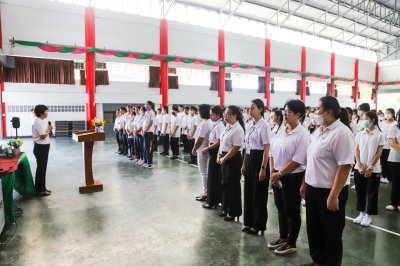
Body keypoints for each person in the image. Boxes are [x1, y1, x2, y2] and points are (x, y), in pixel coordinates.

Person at [300, 96, 355, 266]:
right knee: (314, 230)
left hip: (330, 191)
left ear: (328, 111)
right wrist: (304, 184)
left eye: (318, 109)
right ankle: (318, 261)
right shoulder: (319, 130)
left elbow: (345, 166)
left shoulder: (342, 133)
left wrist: (333, 195)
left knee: (331, 233)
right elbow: (311, 160)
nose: (315, 112)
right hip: (313, 189)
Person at [268, 99, 309, 255]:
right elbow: (272, 152)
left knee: (291, 210)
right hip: (277, 175)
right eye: (284, 112)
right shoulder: (280, 130)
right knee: (280, 208)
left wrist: (279, 174)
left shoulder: (302, 134)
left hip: (292, 177)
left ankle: (292, 243)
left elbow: (298, 160)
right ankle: (283, 237)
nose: (285, 115)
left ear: (298, 115)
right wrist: (273, 173)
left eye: (288, 112)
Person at [241, 99, 272, 236]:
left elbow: (266, 148)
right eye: (249, 107)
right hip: (249, 159)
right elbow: (247, 147)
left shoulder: (264, 125)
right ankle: (249, 222)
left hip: (260, 160)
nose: (250, 110)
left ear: (260, 109)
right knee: (248, 193)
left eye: (252, 107)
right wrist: (243, 164)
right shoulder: (249, 125)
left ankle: (259, 225)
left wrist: (264, 168)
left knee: (258, 195)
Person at [353, 111, 385, 227]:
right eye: (362, 118)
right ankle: (361, 213)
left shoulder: (379, 135)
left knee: (371, 192)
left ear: (372, 120)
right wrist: (359, 165)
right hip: (359, 168)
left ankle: (369, 215)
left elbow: (379, 153)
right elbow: (356, 150)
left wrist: (370, 167)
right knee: (360, 191)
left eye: (365, 118)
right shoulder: (360, 134)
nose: (363, 120)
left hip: (373, 169)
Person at [218, 106, 245, 222]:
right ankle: (225, 208)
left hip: (233, 159)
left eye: (228, 114)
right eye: (225, 114)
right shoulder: (227, 127)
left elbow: (236, 147)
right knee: (224, 184)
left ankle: (234, 212)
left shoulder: (238, 129)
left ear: (235, 115)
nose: (225, 116)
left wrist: (224, 157)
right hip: (224, 157)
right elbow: (222, 141)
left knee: (233, 186)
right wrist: (219, 155)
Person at [202, 106, 225, 209]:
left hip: (216, 152)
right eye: (210, 114)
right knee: (214, 177)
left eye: (213, 114)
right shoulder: (216, 124)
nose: (211, 116)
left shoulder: (220, 126)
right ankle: (216, 200)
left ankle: (212, 202)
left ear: (218, 115)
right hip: (213, 152)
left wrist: (207, 148)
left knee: (213, 178)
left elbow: (219, 142)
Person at [193, 104, 213, 202]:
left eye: (199, 111)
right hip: (204, 149)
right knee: (205, 172)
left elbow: (200, 139)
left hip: (202, 150)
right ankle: (205, 191)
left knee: (203, 172)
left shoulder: (205, 123)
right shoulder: (207, 122)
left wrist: (194, 149)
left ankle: (205, 193)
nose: (198, 113)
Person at [32, 104, 53, 197]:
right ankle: (40, 190)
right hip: (41, 148)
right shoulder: (38, 122)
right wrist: (49, 129)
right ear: (41, 113)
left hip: (44, 146)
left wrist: (49, 131)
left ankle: (41, 188)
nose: (47, 112)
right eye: (46, 111)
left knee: (42, 168)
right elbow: (42, 136)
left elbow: (46, 134)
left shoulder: (42, 120)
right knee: (41, 169)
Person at [386, 110, 400, 212]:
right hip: (395, 159)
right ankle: (394, 203)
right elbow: (392, 143)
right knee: (396, 182)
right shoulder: (394, 127)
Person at [380, 108, 397, 184]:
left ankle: (390, 177)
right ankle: (384, 176)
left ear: (393, 114)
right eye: (386, 112)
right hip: (383, 146)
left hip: (392, 147)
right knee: (383, 162)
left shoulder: (396, 123)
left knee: (390, 163)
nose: (387, 114)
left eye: (389, 112)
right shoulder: (381, 123)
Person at [142, 101, 155, 168]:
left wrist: (145, 130)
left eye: (147, 105)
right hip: (145, 132)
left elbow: (151, 123)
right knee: (145, 148)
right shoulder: (146, 112)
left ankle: (149, 163)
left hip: (149, 132)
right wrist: (143, 130)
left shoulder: (152, 113)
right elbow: (144, 122)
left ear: (150, 105)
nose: (145, 106)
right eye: (145, 105)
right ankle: (145, 161)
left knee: (149, 148)